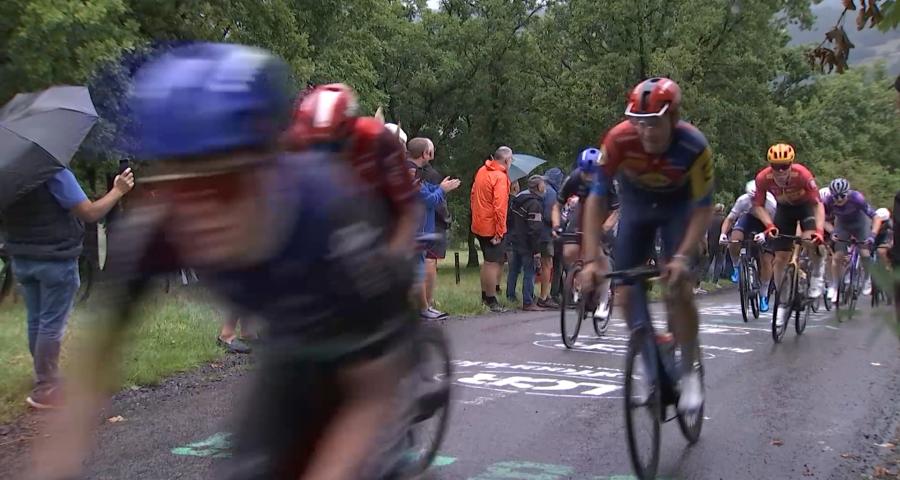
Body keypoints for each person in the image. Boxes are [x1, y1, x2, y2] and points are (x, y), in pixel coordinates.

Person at [30, 43, 418, 480]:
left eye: (226, 184)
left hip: (366, 351)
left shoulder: (326, 216)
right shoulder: (156, 229)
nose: (201, 212)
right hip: (292, 342)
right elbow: (93, 366)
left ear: (269, 169)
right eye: (180, 185)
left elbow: (370, 389)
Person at [580, 77, 713, 414]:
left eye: (654, 123)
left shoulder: (694, 145)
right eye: (640, 123)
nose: (646, 132)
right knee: (625, 292)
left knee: (678, 287)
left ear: (674, 118)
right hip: (637, 205)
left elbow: (703, 208)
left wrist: (681, 256)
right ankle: (653, 361)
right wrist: (591, 258)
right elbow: (596, 200)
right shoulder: (618, 139)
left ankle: (689, 369)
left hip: (678, 207)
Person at [0, 157, 134, 409]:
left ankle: (44, 378)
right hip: (55, 260)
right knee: (50, 325)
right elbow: (90, 213)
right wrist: (118, 190)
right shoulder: (52, 170)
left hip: (22, 259)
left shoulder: (7, 170)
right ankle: (47, 388)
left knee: (37, 321)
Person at [751, 143, 826, 327]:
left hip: (805, 208)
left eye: (785, 166)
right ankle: (782, 301)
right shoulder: (763, 178)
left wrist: (819, 231)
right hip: (784, 211)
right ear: (770, 165)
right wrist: (769, 225)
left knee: (809, 240)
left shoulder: (802, 174)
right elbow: (758, 205)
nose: (781, 171)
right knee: (780, 258)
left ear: (791, 164)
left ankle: (817, 273)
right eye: (776, 166)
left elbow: (818, 204)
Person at [552, 148, 619, 323]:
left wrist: (604, 228)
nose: (588, 178)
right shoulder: (573, 178)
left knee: (600, 256)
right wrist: (556, 226)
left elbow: (616, 211)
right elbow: (557, 206)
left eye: (592, 174)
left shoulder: (609, 181)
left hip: (604, 212)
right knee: (569, 251)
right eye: (585, 173)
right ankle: (578, 279)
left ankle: (603, 300)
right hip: (582, 211)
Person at [409, 137, 456, 317]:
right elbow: (428, 200)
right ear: (425, 153)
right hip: (417, 229)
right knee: (418, 270)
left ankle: (422, 308)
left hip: (420, 227)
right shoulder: (411, 173)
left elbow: (426, 190)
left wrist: (440, 188)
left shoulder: (415, 172)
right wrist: (442, 190)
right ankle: (422, 309)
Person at [719, 180, 777, 311]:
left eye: (756, 198)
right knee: (735, 239)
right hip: (748, 218)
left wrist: (765, 234)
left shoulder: (771, 204)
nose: (754, 201)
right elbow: (730, 219)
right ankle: (736, 267)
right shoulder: (743, 200)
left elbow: (775, 227)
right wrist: (723, 234)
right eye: (752, 198)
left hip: (767, 224)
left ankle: (764, 294)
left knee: (766, 260)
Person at [822, 178, 883, 298]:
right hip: (842, 224)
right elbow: (823, 219)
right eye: (836, 197)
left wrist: (873, 235)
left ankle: (867, 279)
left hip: (860, 223)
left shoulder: (857, 198)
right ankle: (835, 284)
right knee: (838, 256)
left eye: (842, 196)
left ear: (848, 193)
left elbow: (876, 217)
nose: (839, 199)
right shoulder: (828, 201)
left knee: (864, 254)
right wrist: (832, 232)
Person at [471, 146, 513, 312]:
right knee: (492, 263)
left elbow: (473, 194)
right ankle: (491, 299)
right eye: (511, 159)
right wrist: (499, 232)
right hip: (492, 227)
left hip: (479, 223)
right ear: (507, 160)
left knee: (487, 261)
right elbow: (500, 207)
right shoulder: (500, 177)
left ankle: (484, 296)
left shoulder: (482, 171)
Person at [507, 175, 546, 311]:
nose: (545, 187)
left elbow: (510, 219)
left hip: (515, 239)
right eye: (543, 184)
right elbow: (535, 229)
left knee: (514, 270)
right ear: (539, 187)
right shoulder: (535, 204)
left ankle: (510, 296)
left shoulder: (518, 200)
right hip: (527, 243)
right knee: (530, 271)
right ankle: (528, 301)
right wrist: (536, 250)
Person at [542, 167, 566, 303]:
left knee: (554, 264)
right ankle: (553, 294)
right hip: (550, 233)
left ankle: (556, 293)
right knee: (556, 264)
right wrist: (560, 222)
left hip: (544, 233)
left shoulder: (545, 189)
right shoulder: (551, 193)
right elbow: (549, 214)